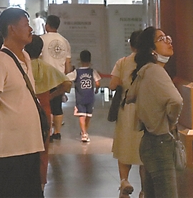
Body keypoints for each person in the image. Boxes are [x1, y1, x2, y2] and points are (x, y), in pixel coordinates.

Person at [0, 8, 44, 198]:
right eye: (26, 25)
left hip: (31, 144)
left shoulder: (25, 57)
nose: (30, 29)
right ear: (12, 29)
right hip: (10, 149)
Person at [126, 27, 183, 198]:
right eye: (161, 39)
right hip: (160, 142)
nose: (168, 41)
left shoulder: (145, 71)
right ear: (151, 49)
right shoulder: (156, 71)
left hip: (150, 141)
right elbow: (176, 100)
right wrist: (172, 120)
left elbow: (130, 96)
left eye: (167, 37)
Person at [25, 35, 70, 189]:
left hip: (24, 110)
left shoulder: (21, 67)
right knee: (43, 149)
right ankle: (41, 183)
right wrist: (50, 96)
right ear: (41, 51)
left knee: (25, 148)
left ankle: (26, 183)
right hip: (44, 110)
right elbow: (66, 83)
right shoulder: (45, 67)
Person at [109, 30, 146, 198]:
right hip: (145, 109)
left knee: (125, 147)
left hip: (126, 109)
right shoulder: (151, 63)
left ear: (131, 45)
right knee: (144, 151)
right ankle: (144, 190)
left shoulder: (123, 62)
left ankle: (124, 181)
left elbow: (113, 84)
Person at [40, 14, 72, 141]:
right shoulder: (65, 41)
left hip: (44, 77)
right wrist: (66, 77)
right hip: (59, 78)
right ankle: (57, 132)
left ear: (47, 25)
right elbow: (68, 63)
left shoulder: (41, 40)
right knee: (57, 106)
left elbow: (38, 58)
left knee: (46, 105)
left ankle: (47, 132)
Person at [66, 49, 101, 143]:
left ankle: (84, 133)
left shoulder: (76, 72)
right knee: (88, 116)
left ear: (80, 60)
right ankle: (85, 131)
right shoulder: (92, 71)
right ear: (90, 60)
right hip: (90, 97)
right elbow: (98, 83)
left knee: (82, 115)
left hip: (80, 97)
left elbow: (67, 78)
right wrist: (97, 90)